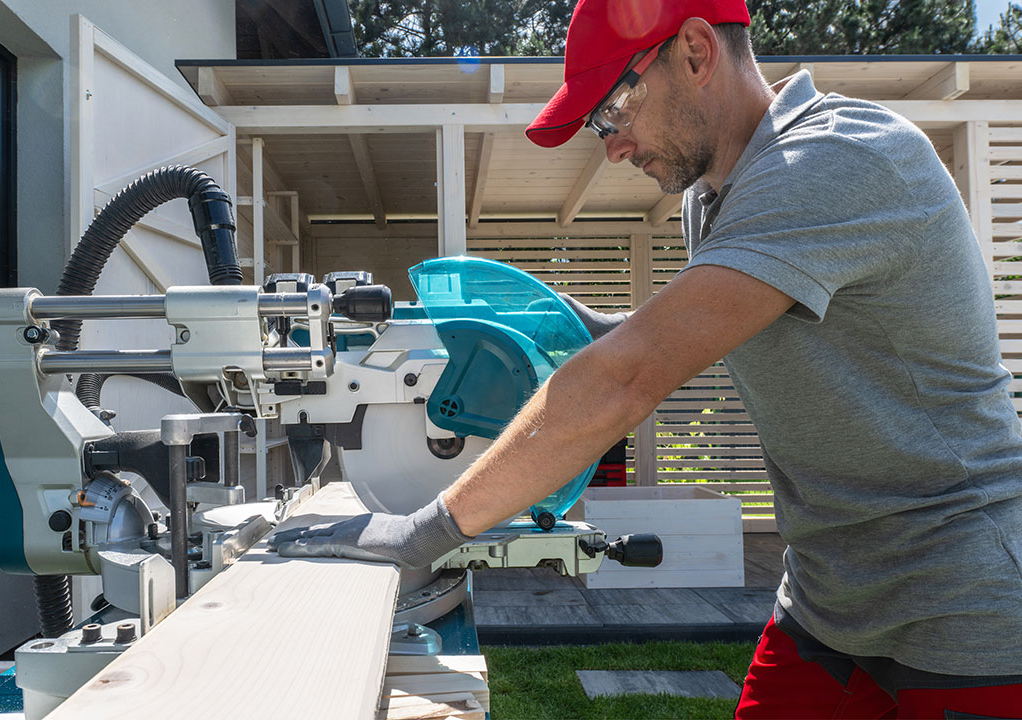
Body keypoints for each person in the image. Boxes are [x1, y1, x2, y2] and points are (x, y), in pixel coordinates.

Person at [270, 0, 1022, 716]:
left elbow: (631, 375)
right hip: (831, 593)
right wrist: (555, 319)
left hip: (962, 593)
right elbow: (691, 322)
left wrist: (423, 532)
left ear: (694, 51)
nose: (613, 146)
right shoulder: (714, 197)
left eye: (611, 112)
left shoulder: (831, 161)